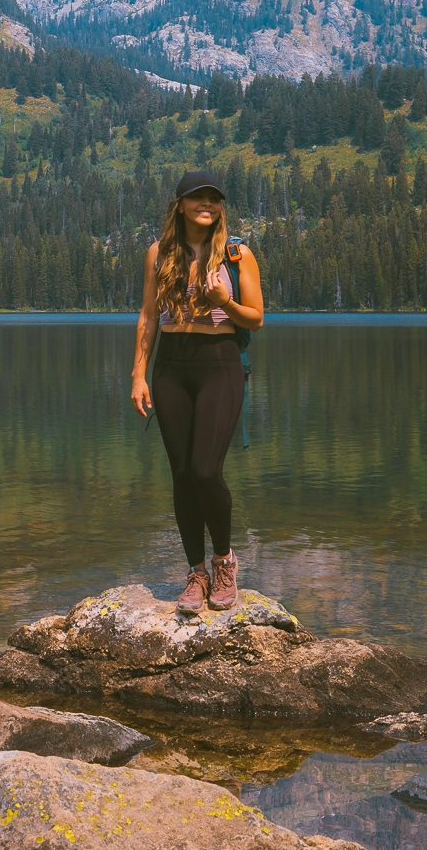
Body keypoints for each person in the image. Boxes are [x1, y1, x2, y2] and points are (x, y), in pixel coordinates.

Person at [131, 170, 264, 615]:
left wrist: (224, 301)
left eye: (213, 199)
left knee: (207, 471)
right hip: (172, 366)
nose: (205, 205)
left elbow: (257, 318)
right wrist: (138, 374)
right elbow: (149, 316)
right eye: (196, 198)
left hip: (220, 365)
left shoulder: (237, 254)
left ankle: (224, 561)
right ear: (181, 204)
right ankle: (195, 574)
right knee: (182, 474)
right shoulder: (159, 252)